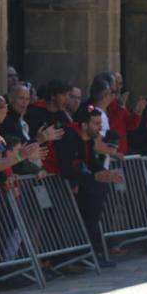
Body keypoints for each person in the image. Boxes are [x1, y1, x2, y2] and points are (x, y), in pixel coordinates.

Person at [56, 104, 124, 267]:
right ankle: (82, 256)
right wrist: (93, 175)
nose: (100, 128)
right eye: (96, 124)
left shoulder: (87, 139)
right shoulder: (70, 137)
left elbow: (91, 162)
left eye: (100, 123)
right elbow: (65, 166)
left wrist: (104, 173)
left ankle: (94, 254)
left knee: (92, 217)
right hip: (61, 185)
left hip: (80, 184)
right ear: (84, 125)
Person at [24, 79, 72, 174]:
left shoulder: (62, 116)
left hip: (57, 169)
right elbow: (26, 141)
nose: (67, 99)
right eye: (63, 95)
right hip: (36, 168)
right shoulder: (34, 113)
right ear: (53, 96)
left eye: (68, 95)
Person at [107, 72, 147, 155]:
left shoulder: (118, 103)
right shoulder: (105, 102)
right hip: (110, 153)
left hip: (122, 153)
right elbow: (110, 126)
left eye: (120, 84)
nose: (118, 87)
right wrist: (121, 106)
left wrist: (137, 112)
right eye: (115, 83)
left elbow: (130, 126)